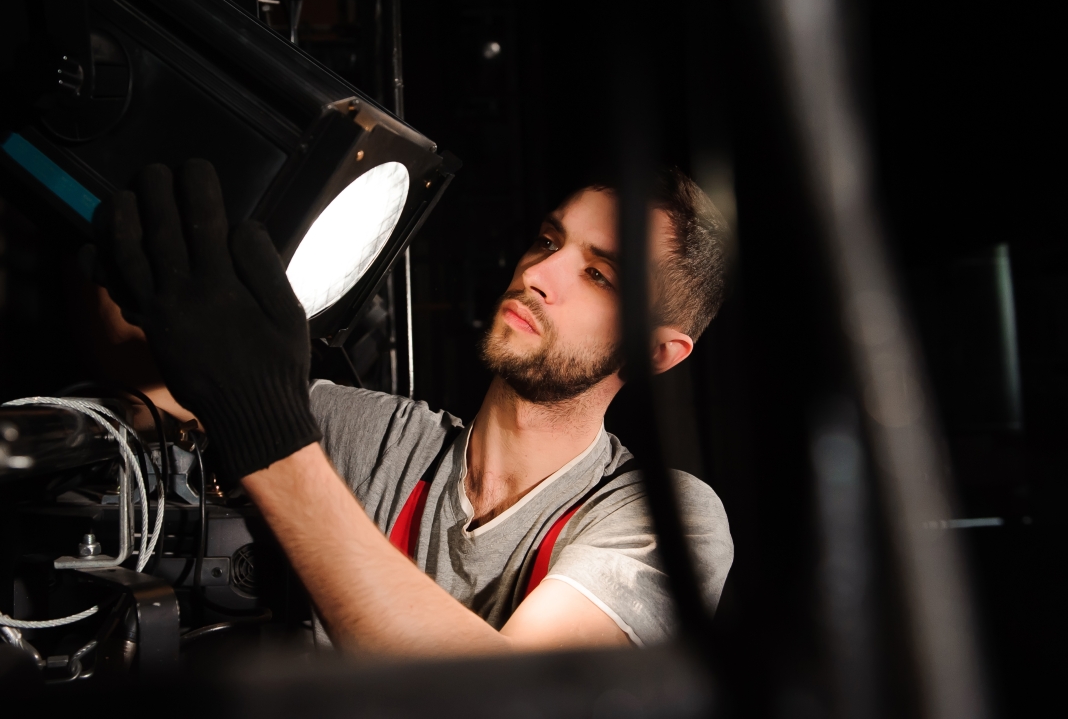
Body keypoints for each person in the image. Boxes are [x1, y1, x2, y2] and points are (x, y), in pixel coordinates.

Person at [86, 159, 734, 656]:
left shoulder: (668, 521)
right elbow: (172, 384)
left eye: (599, 275)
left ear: (657, 353)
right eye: (546, 240)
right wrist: (123, 233)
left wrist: (267, 426)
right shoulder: (379, 440)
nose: (539, 273)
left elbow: (508, 700)